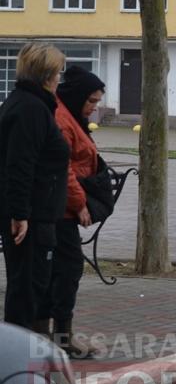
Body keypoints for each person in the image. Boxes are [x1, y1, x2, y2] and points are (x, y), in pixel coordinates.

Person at [0, 43, 70, 331]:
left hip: (37, 212)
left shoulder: (27, 104)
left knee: (32, 285)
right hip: (31, 215)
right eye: (58, 73)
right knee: (27, 287)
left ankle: (32, 352)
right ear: (47, 75)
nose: (59, 79)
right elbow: (20, 164)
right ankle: (18, 357)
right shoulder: (30, 109)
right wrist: (20, 214)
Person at [43, 66, 105, 358]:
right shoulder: (62, 120)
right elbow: (62, 167)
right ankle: (61, 338)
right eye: (91, 101)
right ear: (78, 96)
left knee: (62, 270)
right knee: (66, 270)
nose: (94, 108)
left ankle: (56, 335)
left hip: (61, 207)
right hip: (61, 210)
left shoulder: (70, 118)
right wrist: (79, 202)